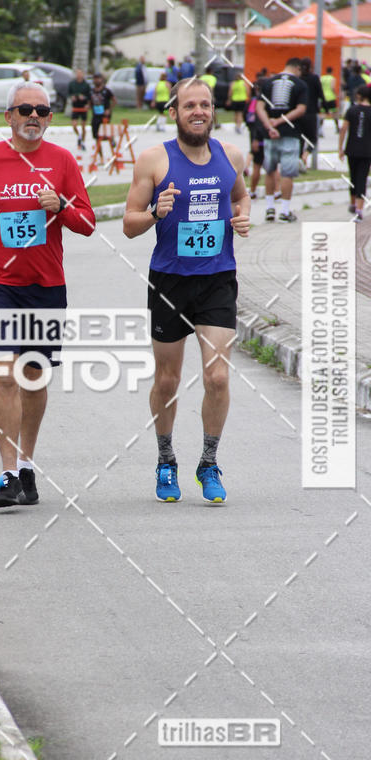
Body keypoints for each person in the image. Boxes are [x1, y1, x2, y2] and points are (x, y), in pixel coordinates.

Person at [0, 82, 96, 510]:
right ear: (8, 118)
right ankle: (7, 474)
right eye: (24, 109)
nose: (34, 116)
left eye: (42, 110)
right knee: (2, 372)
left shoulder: (62, 161)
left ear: (50, 118)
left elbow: (87, 222)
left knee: (34, 378)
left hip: (46, 285)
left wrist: (62, 208)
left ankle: (28, 466)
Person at [123, 78, 250, 504]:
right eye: (189, 105)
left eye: (206, 105)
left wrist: (242, 218)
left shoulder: (231, 156)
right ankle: (165, 461)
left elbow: (241, 198)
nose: (199, 111)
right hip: (170, 281)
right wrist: (154, 213)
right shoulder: (153, 160)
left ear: (214, 111)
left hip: (217, 278)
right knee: (168, 378)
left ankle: (209, 463)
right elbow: (128, 224)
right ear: (173, 112)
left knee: (217, 375)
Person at [256, 57, 307, 223]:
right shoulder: (300, 84)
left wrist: (270, 125)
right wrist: (281, 121)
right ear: (297, 69)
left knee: (270, 170)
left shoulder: (268, 82)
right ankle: (285, 211)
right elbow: (301, 109)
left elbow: (259, 107)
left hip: (270, 135)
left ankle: (269, 208)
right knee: (288, 173)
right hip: (290, 134)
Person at [339, 85, 371, 221]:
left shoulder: (351, 110)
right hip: (367, 151)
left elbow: (343, 129)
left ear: (360, 95)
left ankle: (352, 203)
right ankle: (359, 209)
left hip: (351, 149)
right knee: (361, 179)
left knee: (353, 177)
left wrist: (340, 148)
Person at [298, 57, 324, 171]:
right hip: (311, 112)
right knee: (313, 138)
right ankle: (305, 155)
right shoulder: (314, 78)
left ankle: (299, 159)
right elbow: (320, 94)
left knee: (300, 138)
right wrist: (326, 108)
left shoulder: (298, 79)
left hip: (298, 113)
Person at [68, 68, 91, 150]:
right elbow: (69, 93)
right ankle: (79, 136)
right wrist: (72, 97)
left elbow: (89, 96)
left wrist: (86, 102)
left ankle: (83, 142)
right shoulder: (72, 84)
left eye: (80, 73)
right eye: (78, 73)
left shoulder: (86, 85)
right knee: (74, 125)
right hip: (75, 106)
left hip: (83, 107)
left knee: (83, 126)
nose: (79, 75)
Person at [90, 73, 115, 142]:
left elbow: (114, 101)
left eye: (98, 78)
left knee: (104, 134)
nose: (96, 80)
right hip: (95, 115)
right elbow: (90, 101)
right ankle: (99, 152)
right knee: (96, 135)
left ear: (102, 79)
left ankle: (111, 139)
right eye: (95, 79)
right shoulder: (92, 91)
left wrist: (109, 110)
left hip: (104, 115)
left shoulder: (106, 91)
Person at [320, 66, 340, 134]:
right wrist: (336, 95)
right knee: (335, 113)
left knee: (323, 114)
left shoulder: (322, 78)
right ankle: (337, 128)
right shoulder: (332, 78)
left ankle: (320, 130)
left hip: (324, 97)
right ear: (332, 72)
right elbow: (332, 87)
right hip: (331, 97)